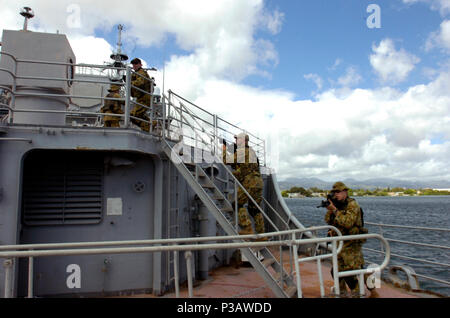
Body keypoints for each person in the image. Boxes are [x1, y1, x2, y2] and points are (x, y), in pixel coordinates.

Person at [324, 181, 366, 296]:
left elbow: (348, 223)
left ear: (345, 192)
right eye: (334, 192)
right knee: (336, 270)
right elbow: (328, 220)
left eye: (338, 192)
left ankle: (358, 293)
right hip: (340, 242)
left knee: (349, 273)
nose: (336, 194)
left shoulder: (353, 205)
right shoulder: (337, 205)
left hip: (351, 243)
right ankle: (341, 292)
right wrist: (330, 209)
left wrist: (335, 210)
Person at [227, 133, 266, 239]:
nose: (236, 141)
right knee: (254, 210)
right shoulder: (252, 152)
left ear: (243, 141)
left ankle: (247, 227)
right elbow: (245, 168)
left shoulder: (242, 151)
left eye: (238, 139)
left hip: (250, 182)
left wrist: (223, 149)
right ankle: (262, 236)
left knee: (237, 204)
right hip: (258, 182)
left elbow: (227, 160)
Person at [130, 58, 152, 132]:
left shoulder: (141, 72)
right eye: (133, 64)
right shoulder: (136, 73)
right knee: (134, 115)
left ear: (140, 64)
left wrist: (130, 82)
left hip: (144, 98)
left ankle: (148, 126)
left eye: (136, 64)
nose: (134, 66)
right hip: (140, 98)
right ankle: (148, 124)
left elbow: (140, 82)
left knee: (134, 115)